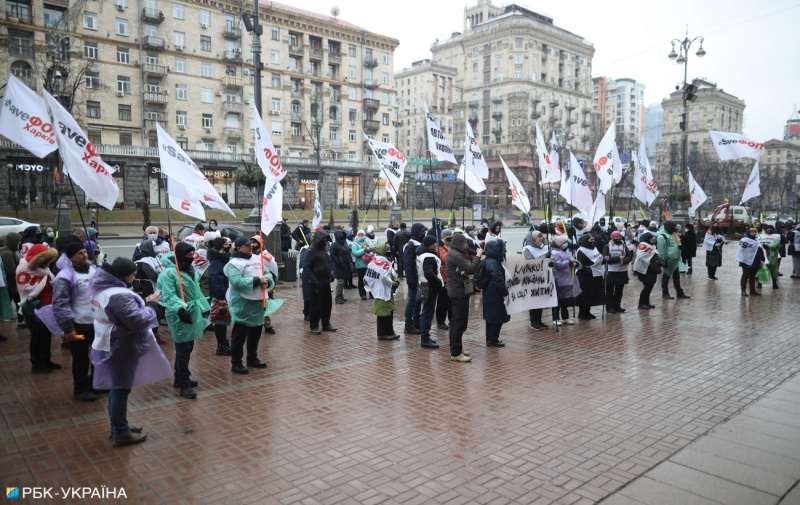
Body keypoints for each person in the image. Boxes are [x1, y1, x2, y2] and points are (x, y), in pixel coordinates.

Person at [88, 257, 171, 448]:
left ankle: (118, 425)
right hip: (121, 346)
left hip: (108, 342)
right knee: (120, 389)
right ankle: (121, 432)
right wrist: (151, 305)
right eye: (133, 275)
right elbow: (138, 321)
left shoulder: (102, 289)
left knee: (116, 388)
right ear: (123, 275)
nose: (134, 279)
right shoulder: (119, 295)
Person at [157, 242, 210, 399]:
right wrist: (180, 309)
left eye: (193, 254)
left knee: (189, 346)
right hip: (178, 315)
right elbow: (168, 294)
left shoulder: (190, 270)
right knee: (183, 349)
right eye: (188, 255)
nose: (191, 257)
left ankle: (179, 377)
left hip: (192, 311)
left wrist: (204, 307)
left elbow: (196, 291)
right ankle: (184, 383)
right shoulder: (169, 273)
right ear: (180, 256)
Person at [52, 242, 100, 402]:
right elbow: (60, 303)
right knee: (81, 359)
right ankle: (80, 389)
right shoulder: (64, 276)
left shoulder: (94, 269)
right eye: (80, 253)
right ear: (71, 257)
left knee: (98, 355)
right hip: (78, 324)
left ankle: (95, 383)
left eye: (85, 252)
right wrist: (68, 328)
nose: (84, 255)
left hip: (96, 322)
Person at [225, 237, 273, 374]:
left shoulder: (257, 259)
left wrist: (268, 281)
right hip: (243, 304)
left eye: (251, 245)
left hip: (258, 302)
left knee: (255, 333)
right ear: (238, 248)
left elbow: (267, 273)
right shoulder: (234, 263)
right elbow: (236, 282)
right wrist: (257, 280)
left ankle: (252, 357)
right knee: (240, 335)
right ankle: (236, 362)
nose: (251, 247)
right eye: (247, 245)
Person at [16, 243, 58, 373]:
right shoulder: (25, 269)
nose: (47, 263)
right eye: (45, 260)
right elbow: (26, 288)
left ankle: (46, 360)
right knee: (37, 335)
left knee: (46, 334)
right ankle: (36, 363)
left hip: (47, 306)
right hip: (35, 308)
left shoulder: (43, 269)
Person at [446, 233, 483, 362]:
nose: (466, 246)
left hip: (456, 291)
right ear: (460, 244)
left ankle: (456, 349)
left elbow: (461, 269)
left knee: (456, 322)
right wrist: (478, 256)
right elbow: (471, 268)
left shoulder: (454, 252)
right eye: (465, 243)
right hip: (458, 293)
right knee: (459, 323)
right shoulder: (456, 255)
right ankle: (455, 353)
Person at [302, 230, 337, 335]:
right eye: (323, 238)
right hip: (316, 282)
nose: (325, 240)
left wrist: (330, 273)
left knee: (327, 304)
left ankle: (326, 324)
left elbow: (328, 262)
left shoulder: (325, 248)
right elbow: (306, 267)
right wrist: (315, 281)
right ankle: (314, 326)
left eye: (326, 238)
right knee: (316, 306)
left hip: (325, 280)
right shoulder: (311, 250)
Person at [365, 242, 400, 340]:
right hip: (381, 291)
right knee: (383, 313)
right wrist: (393, 283)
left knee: (387, 311)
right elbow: (384, 277)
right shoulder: (378, 263)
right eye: (387, 250)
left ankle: (389, 332)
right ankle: (383, 333)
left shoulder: (380, 262)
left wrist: (395, 281)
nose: (389, 251)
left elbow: (389, 274)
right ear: (382, 251)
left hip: (384, 290)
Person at [207, 237, 232, 356]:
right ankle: (221, 346)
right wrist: (221, 296)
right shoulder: (217, 260)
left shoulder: (222, 258)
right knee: (220, 320)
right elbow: (216, 278)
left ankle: (224, 343)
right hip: (220, 295)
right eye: (227, 244)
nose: (230, 246)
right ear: (222, 246)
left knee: (224, 320)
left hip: (224, 293)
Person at [482, 238, 510, 347]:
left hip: (489, 292)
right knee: (496, 316)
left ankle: (490, 339)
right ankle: (493, 339)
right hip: (495, 293)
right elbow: (497, 279)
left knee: (491, 317)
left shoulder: (488, 260)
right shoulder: (494, 263)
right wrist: (504, 292)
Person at [416, 235, 442, 349]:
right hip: (430, 287)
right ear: (429, 245)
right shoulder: (428, 257)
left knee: (426, 312)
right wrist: (439, 283)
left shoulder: (422, 255)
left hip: (424, 285)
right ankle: (425, 339)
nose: (436, 245)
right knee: (427, 313)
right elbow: (429, 274)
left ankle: (426, 336)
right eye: (434, 243)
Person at [523, 230, 551, 330]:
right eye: (539, 237)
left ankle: (539, 320)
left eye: (542, 236)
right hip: (533, 278)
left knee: (541, 299)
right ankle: (533, 321)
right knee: (534, 300)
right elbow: (531, 262)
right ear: (533, 239)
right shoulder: (528, 249)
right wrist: (545, 256)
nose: (541, 238)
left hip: (544, 277)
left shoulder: (545, 248)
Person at [403, 223, 427, 334]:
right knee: (412, 301)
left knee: (418, 301)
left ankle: (416, 322)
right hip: (414, 278)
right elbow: (407, 265)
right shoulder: (410, 246)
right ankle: (408, 324)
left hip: (421, 278)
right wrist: (411, 280)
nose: (424, 234)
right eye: (422, 232)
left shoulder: (420, 244)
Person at [551, 236, 580, 324]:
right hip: (558, 279)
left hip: (568, 278)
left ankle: (565, 317)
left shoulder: (568, 252)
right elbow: (558, 265)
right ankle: (556, 318)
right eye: (564, 243)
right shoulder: (554, 253)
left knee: (565, 299)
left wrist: (575, 263)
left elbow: (573, 260)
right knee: (557, 300)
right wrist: (569, 262)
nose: (566, 244)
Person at [603, 231, 633, 314]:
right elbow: (606, 258)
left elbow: (629, 256)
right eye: (616, 237)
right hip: (611, 271)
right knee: (610, 290)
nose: (618, 239)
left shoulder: (624, 246)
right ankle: (609, 307)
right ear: (612, 238)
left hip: (622, 271)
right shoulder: (607, 246)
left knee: (619, 290)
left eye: (620, 237)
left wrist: (625, 261)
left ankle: (617, 305)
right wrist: (619, 258)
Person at [657, 221, 689, 300]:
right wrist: (664, 260)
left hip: (675, 259)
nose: (674, 228)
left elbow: (675, 244)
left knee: (676, 277)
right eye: (673, 226)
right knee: (666, 277)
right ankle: (665, 293)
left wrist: (680, 246)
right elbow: (662, 250)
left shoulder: (673, 235)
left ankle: (679, 292)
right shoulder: (662, 236)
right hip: (668, 260)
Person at [576, 234, 604, 320]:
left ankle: (587, 312)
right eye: (591, 240)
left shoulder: (594, 248)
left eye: (593, 240)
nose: (593, 241)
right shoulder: (581, 250)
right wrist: (590, 266)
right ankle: (582, 313)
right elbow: (581, 263)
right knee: (585, 294)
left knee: (591, 294)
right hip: (585, 275)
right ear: (585, 240)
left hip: (595, 274)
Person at [633, 232, 663, 309]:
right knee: (647, 286)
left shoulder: (652, 245)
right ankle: (641, 303)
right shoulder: (642, 245)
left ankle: (646, 302)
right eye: (650, 238)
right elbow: (641, 256)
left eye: (652, 238)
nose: (652, 239)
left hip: (651, 268)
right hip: (644, 269)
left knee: (650, 286)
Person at [1, 232, 24, 328]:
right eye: (18, 241)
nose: (20, 243)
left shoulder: (10, 252)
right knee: (8, 303)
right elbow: (11, 270)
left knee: (19, 302)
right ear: (13, 241)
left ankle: (21, 321)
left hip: (13, 284)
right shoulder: (7, 253)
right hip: (10, 284)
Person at [737, 227, 765, 296]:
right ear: (748, 233)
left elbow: (760, 250)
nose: (754, 233)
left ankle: (752, 290)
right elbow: (741, 250)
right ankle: (743, 290)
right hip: (746, 261)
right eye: (752, 232)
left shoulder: (757, 240)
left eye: (755, 232)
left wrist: (762, 258)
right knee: (745, 275)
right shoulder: (744, 240)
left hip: (755, 260)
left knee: (753, 276)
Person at [435, 230, 453, 330]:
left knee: (451, 301)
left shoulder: (449, 246)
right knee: (443, 301)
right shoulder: (440, 247)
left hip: (450, 277)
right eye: (449, 235)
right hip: (444, 277)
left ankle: (451, 319)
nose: (451, 237)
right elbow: (446, 259)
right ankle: (440, 321)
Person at [351, 230, 374, 301]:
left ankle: (371, 293)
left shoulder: (368, 241)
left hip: (369, 264)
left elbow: (372, 248)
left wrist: (370, 249)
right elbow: (355, 253)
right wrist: (364, 250)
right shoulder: (355, 243)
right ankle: (362, 294)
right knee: (361, 280)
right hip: (360, 265)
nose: (361, 236)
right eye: (359, 234)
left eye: (362, 234)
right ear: (357, 235)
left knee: (371, 279)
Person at [330, 230, 351, 304]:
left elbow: (348, 252)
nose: (342, 236)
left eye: (343, 234)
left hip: (345, 265)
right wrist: (338, 261)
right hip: (338, 266)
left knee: (343, 281)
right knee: (340, 281)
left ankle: (341, 295)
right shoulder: (334, 245)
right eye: (340, 235)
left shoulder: (344, 243)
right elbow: (332, 255)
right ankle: (338, 296)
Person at [759, 224, 781, 289]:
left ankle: (774, 283)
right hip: (763, 255)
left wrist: (769, 246)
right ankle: (759, 283)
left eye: (771, 229)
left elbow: (777, 243)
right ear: (765, 230)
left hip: (773, 255)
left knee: (774, 269)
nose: (769, 230)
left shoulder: (777, 236)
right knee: (762, 268)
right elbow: (758, 243)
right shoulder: (761, 236)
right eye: (768, 229)